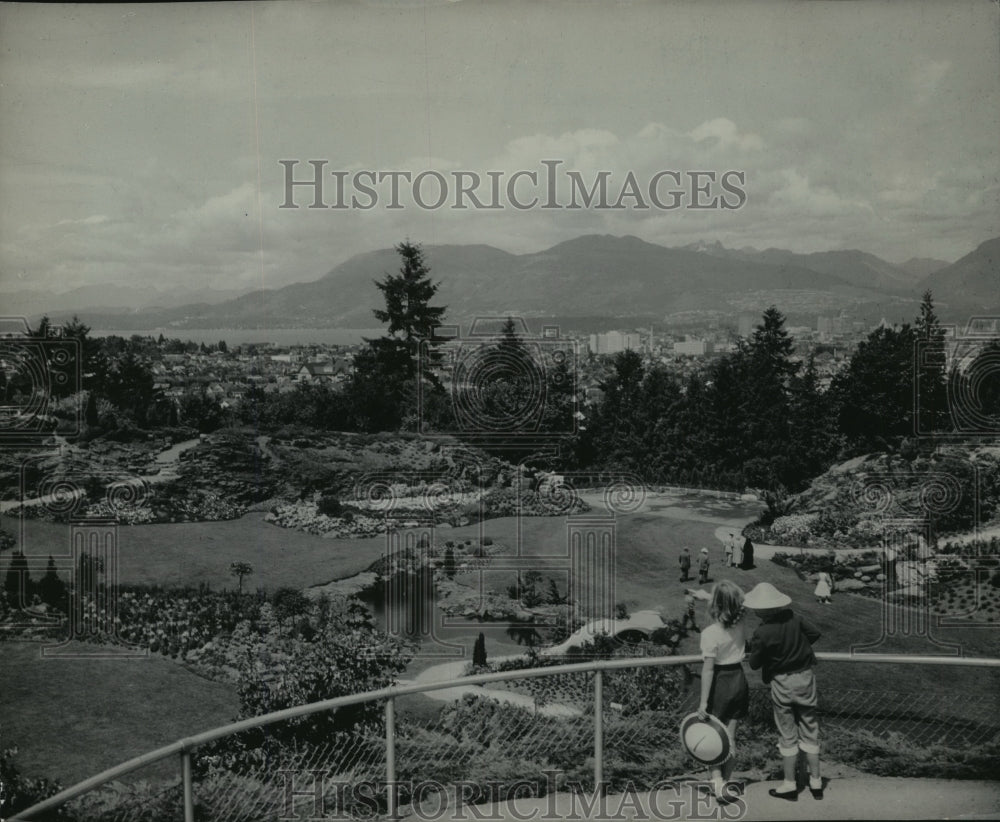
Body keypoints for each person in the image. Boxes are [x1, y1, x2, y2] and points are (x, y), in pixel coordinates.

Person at [745, 582, 824, 802]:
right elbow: (814, 633)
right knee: (810, 727)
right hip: (805, 678)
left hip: (782, 683)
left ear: (760, 610)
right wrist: (798, 647)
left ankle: (790, 785)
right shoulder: (794, 618)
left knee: (787, 732)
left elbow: (754, 663)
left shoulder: (761, 632)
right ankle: (816, 782)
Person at [697, 580, 749, 802]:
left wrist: (702, 703)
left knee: (713, 739)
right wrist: (710, 597)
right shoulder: (740, 625)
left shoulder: (710, 633)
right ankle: (725, 783)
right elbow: (734, 602)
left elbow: (708, 670)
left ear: (715, 605)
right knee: (730, 737)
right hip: (739, 680)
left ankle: (716, 782)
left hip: (720, 682)